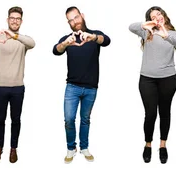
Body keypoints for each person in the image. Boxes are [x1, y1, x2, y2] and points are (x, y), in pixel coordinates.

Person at [52, 6, 110, 164]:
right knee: (69, 119)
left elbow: (106, 40)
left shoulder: (94, 35)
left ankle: (84, 147)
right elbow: (55, 51)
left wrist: (93, 37)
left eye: (76, 17)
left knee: (85, 119)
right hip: (72, 87)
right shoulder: (68, 38)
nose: (74, 22)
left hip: (91, 88)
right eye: (70, 20)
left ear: (82, 16)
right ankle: (71, 148)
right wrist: (65, 44)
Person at [0, 6, 35, 163]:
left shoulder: (22, 40)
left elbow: (33, 43)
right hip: (0, 87)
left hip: (18, 88)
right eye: (12, 18)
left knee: (16, 120)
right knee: (0, 119)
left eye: (18, 18)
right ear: (7, 20)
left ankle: (13, 149)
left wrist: (14, 36)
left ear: (21, 21)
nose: (15, 20)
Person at [129, 6, 176, 164]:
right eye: (153, 16)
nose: (157, 17)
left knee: (165, 112)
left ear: (164, 15)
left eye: (159, 14)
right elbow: (130, 27)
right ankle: (148, 144)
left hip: (168, 79)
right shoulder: (146, 32)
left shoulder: (173, 33)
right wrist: (145, 25)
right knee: (150, 114)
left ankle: (163, 145)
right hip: (147, 79)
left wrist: (165, 34)